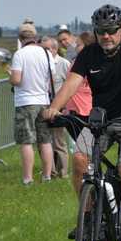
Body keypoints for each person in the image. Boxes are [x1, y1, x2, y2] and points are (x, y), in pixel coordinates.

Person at [43, 4, 121, 241]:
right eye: (101, 31)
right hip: (101, 120)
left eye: (112, 30)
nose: (106, 36)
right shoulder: (89, 54)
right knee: (80, 160)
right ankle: (89, 218)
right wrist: (54, 108)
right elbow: (71, 84)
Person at [9, 22, 54, 185]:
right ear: (35, 37)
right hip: (44, 101)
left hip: (26, 101)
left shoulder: (20, 54)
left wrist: (9, 76)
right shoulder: (46, 53)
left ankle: (28, 178)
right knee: (45, 140)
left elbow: (16, 79)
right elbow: (51, 78)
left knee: (26, 141)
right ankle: (47, 176)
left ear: (21, 38)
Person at [41, 36, 71, 178]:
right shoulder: (41, 64)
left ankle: (63, 172)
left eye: (46, 49)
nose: (44, 51)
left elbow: (71, 85)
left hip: (59, 107)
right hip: (44, 106)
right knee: (45, 140)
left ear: (55, 49)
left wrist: (65, 106)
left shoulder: (64, 64)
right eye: (42, 49)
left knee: (59, 141)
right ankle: (50, 172)